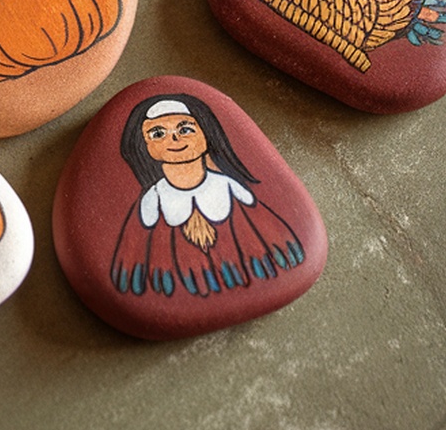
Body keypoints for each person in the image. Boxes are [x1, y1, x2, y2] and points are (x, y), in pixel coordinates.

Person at [110, 93, 305, 301]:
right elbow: (133, 256)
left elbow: (268, 232)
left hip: (240, 271)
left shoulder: (229, 187)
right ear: (142, 145)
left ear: (206, 134)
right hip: (178, 288)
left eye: (185, 129)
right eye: (158, 133)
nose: (174, 139)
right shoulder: (152, 201)